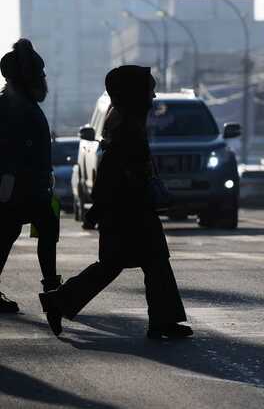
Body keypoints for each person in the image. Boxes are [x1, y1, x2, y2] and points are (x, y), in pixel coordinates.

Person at [40, 65, 192, 339]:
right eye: (149, 91)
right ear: (135, 95)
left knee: (146, 263)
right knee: (130, 263)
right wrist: (103, 207)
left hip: (128, 210)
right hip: (128, 212)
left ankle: (162, 320)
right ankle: (59, 301)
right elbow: (115, 174)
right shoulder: (127, 130)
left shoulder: (125, 123)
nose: (153, 97)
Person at [0, 39, 62, 318]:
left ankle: (53, 289)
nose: (45, 81)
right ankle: (53, 291)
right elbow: (10, 146)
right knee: (31, 232)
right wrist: (7, 179)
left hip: (31, 186)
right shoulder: (12, 106)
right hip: (17, 187)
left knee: (36, 232)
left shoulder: (21, 103)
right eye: (40, 76)